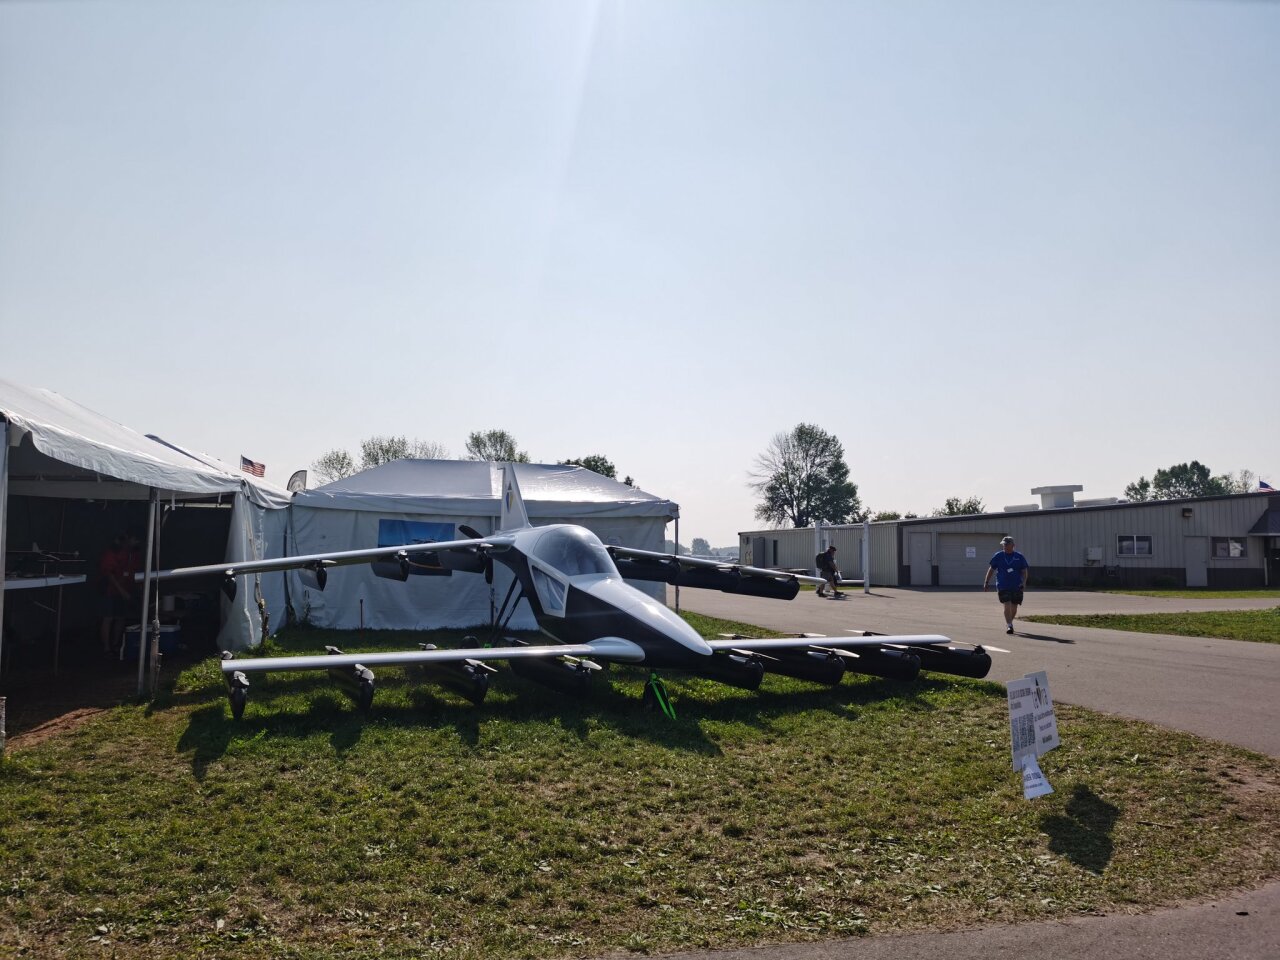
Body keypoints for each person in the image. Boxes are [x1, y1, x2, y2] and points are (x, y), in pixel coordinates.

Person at [98, 533, 140, 656]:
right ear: (128, 537)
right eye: (135, 539)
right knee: (108, 617)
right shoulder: (114, 550)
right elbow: (109, 574)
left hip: (125, 590)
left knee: (121, 617)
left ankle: (116, 645)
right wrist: (122, 591)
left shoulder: (135, 553)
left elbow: (135, 572)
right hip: (109, 589)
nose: (137, 543)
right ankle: (106, 648)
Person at [982, 535, 1029, 634]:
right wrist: (986, 582)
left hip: (1017, 585)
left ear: (1013, 545)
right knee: (1007, 604)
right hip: (1002, 585)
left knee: (1014, 607)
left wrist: (1024, 583)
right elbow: (991, 569)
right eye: (1003, 544)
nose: (1004, 546)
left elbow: (1024, 571)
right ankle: (1009, 625)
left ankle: (1009, 622)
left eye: (1006, 544)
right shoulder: (998, 556)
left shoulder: (1019, 557)